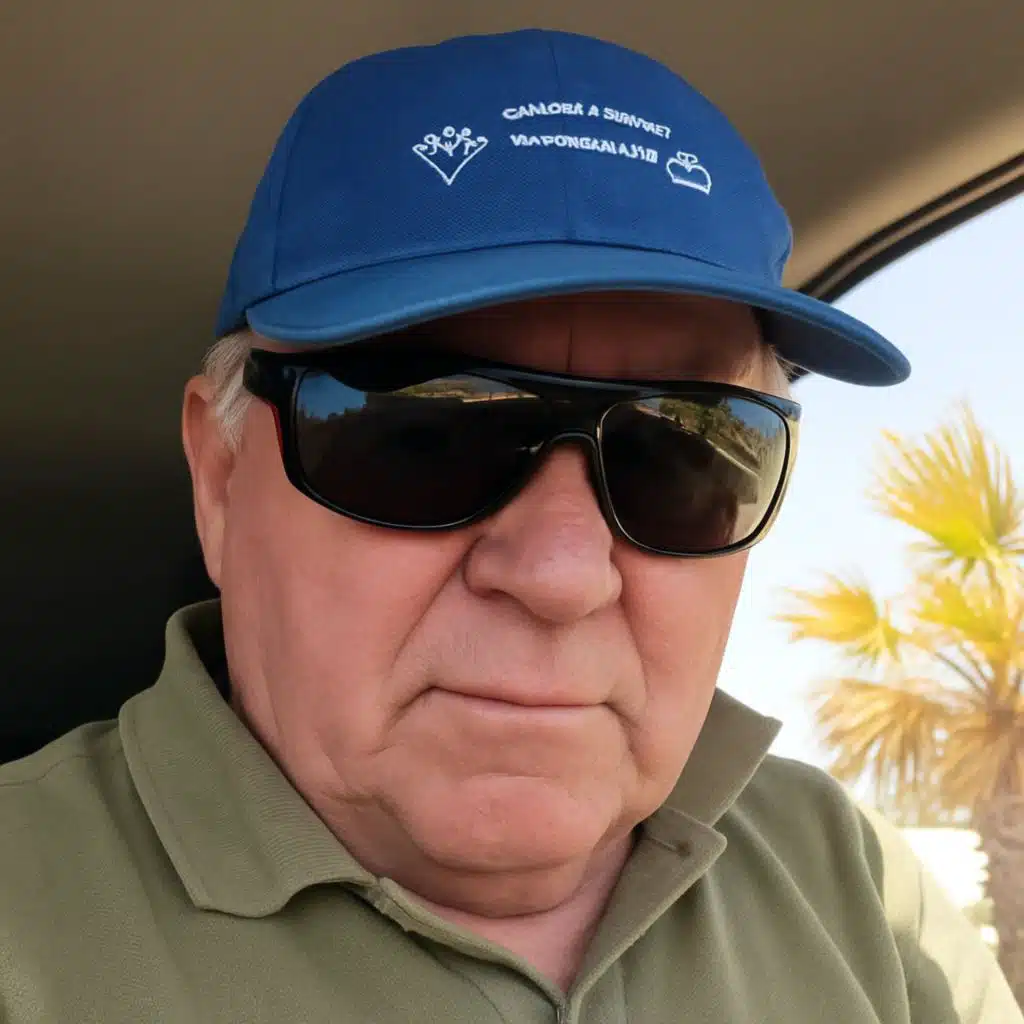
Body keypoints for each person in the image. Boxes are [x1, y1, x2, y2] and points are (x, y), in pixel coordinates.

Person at [0, 28, 1018, 1024]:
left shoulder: (860, 888)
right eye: (422, 437)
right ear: (222, 480)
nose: (561, 574)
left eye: (678, 453)